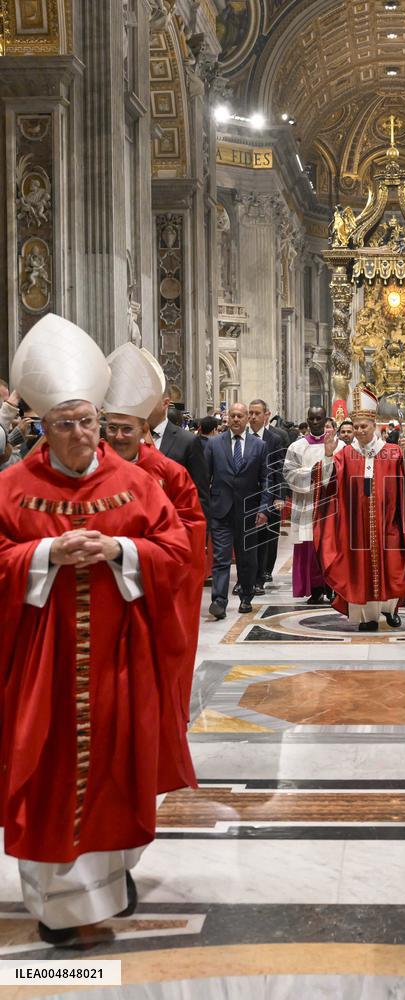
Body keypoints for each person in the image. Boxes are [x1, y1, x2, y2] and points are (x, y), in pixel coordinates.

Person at [0, 314, 194, 944]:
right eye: (65, 424)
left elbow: (177, 552)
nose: (80, 434)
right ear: (43, 426)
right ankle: (57, 907)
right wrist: (43, 555)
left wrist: (120, 551)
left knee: (116, 766)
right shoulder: (11, 488)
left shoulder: (135, 484)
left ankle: (113, 877)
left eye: (88, 421)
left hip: (118, 659)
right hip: (42, 666)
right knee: (47, 771)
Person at [102, 342, 206, 729]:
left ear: (143, 429)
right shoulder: (89, 469)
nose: (117, 436)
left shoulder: (168, 472)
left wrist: (141, 551)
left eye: (126, 428)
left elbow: (191, 528)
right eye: (111, 428)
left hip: (153, 585)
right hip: (101, 586)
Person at [313, 385, 405, 632]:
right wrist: (328, 457)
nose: (360, 431)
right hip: (356, 527)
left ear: (374, 426)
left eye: (364, 426)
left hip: (389, 522)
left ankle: (391, 609)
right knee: (359, 569)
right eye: (356, 427)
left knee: (393, 565)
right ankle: (366, 617)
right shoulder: (346, 454)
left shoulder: (393, 452)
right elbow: (327, 484)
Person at [205, 402, 271, 619]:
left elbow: (266, 479)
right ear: (227, 418)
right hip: (221, 511)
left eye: (240, 416)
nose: (235, 419)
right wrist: (206, 508)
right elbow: (205, 478)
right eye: (232, 415)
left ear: (246, 419)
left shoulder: (259, 445)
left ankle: (246, 596)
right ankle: (219, 601)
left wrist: (264, 508)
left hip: (249, 512)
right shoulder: (214, 444)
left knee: (247, 559)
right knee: (221, 558)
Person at [283, 406, 344, 604]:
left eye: (319, 418)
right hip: (306, 504)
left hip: (331, 505)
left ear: (325, 419)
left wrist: (326, 469)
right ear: (307, 420)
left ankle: (333, 586)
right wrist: (313, 473)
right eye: (312, 418)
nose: (315, 422)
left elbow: (344, 472)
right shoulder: (296, 447)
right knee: (309, 548)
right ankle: (315, 588)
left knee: (331, 546)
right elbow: (288, 473)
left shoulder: (340, 446)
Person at [147, 376, 209, 518]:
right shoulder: (133, 438)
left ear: (165, 403)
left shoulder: (188, 441)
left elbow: (200, 495)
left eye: (149, 401)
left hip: (175, 522)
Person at [247, 398, 287, 590]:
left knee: (266, 537)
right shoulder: (242, 436)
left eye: (257, 413)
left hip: (269, 495)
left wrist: (280, 496)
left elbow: (279, 469)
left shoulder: (275, 439)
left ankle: (261, 576)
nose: (253, 417)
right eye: (251, 413)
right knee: (246, 539)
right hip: (247, 495)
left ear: (266, 416)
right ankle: (245, 578)